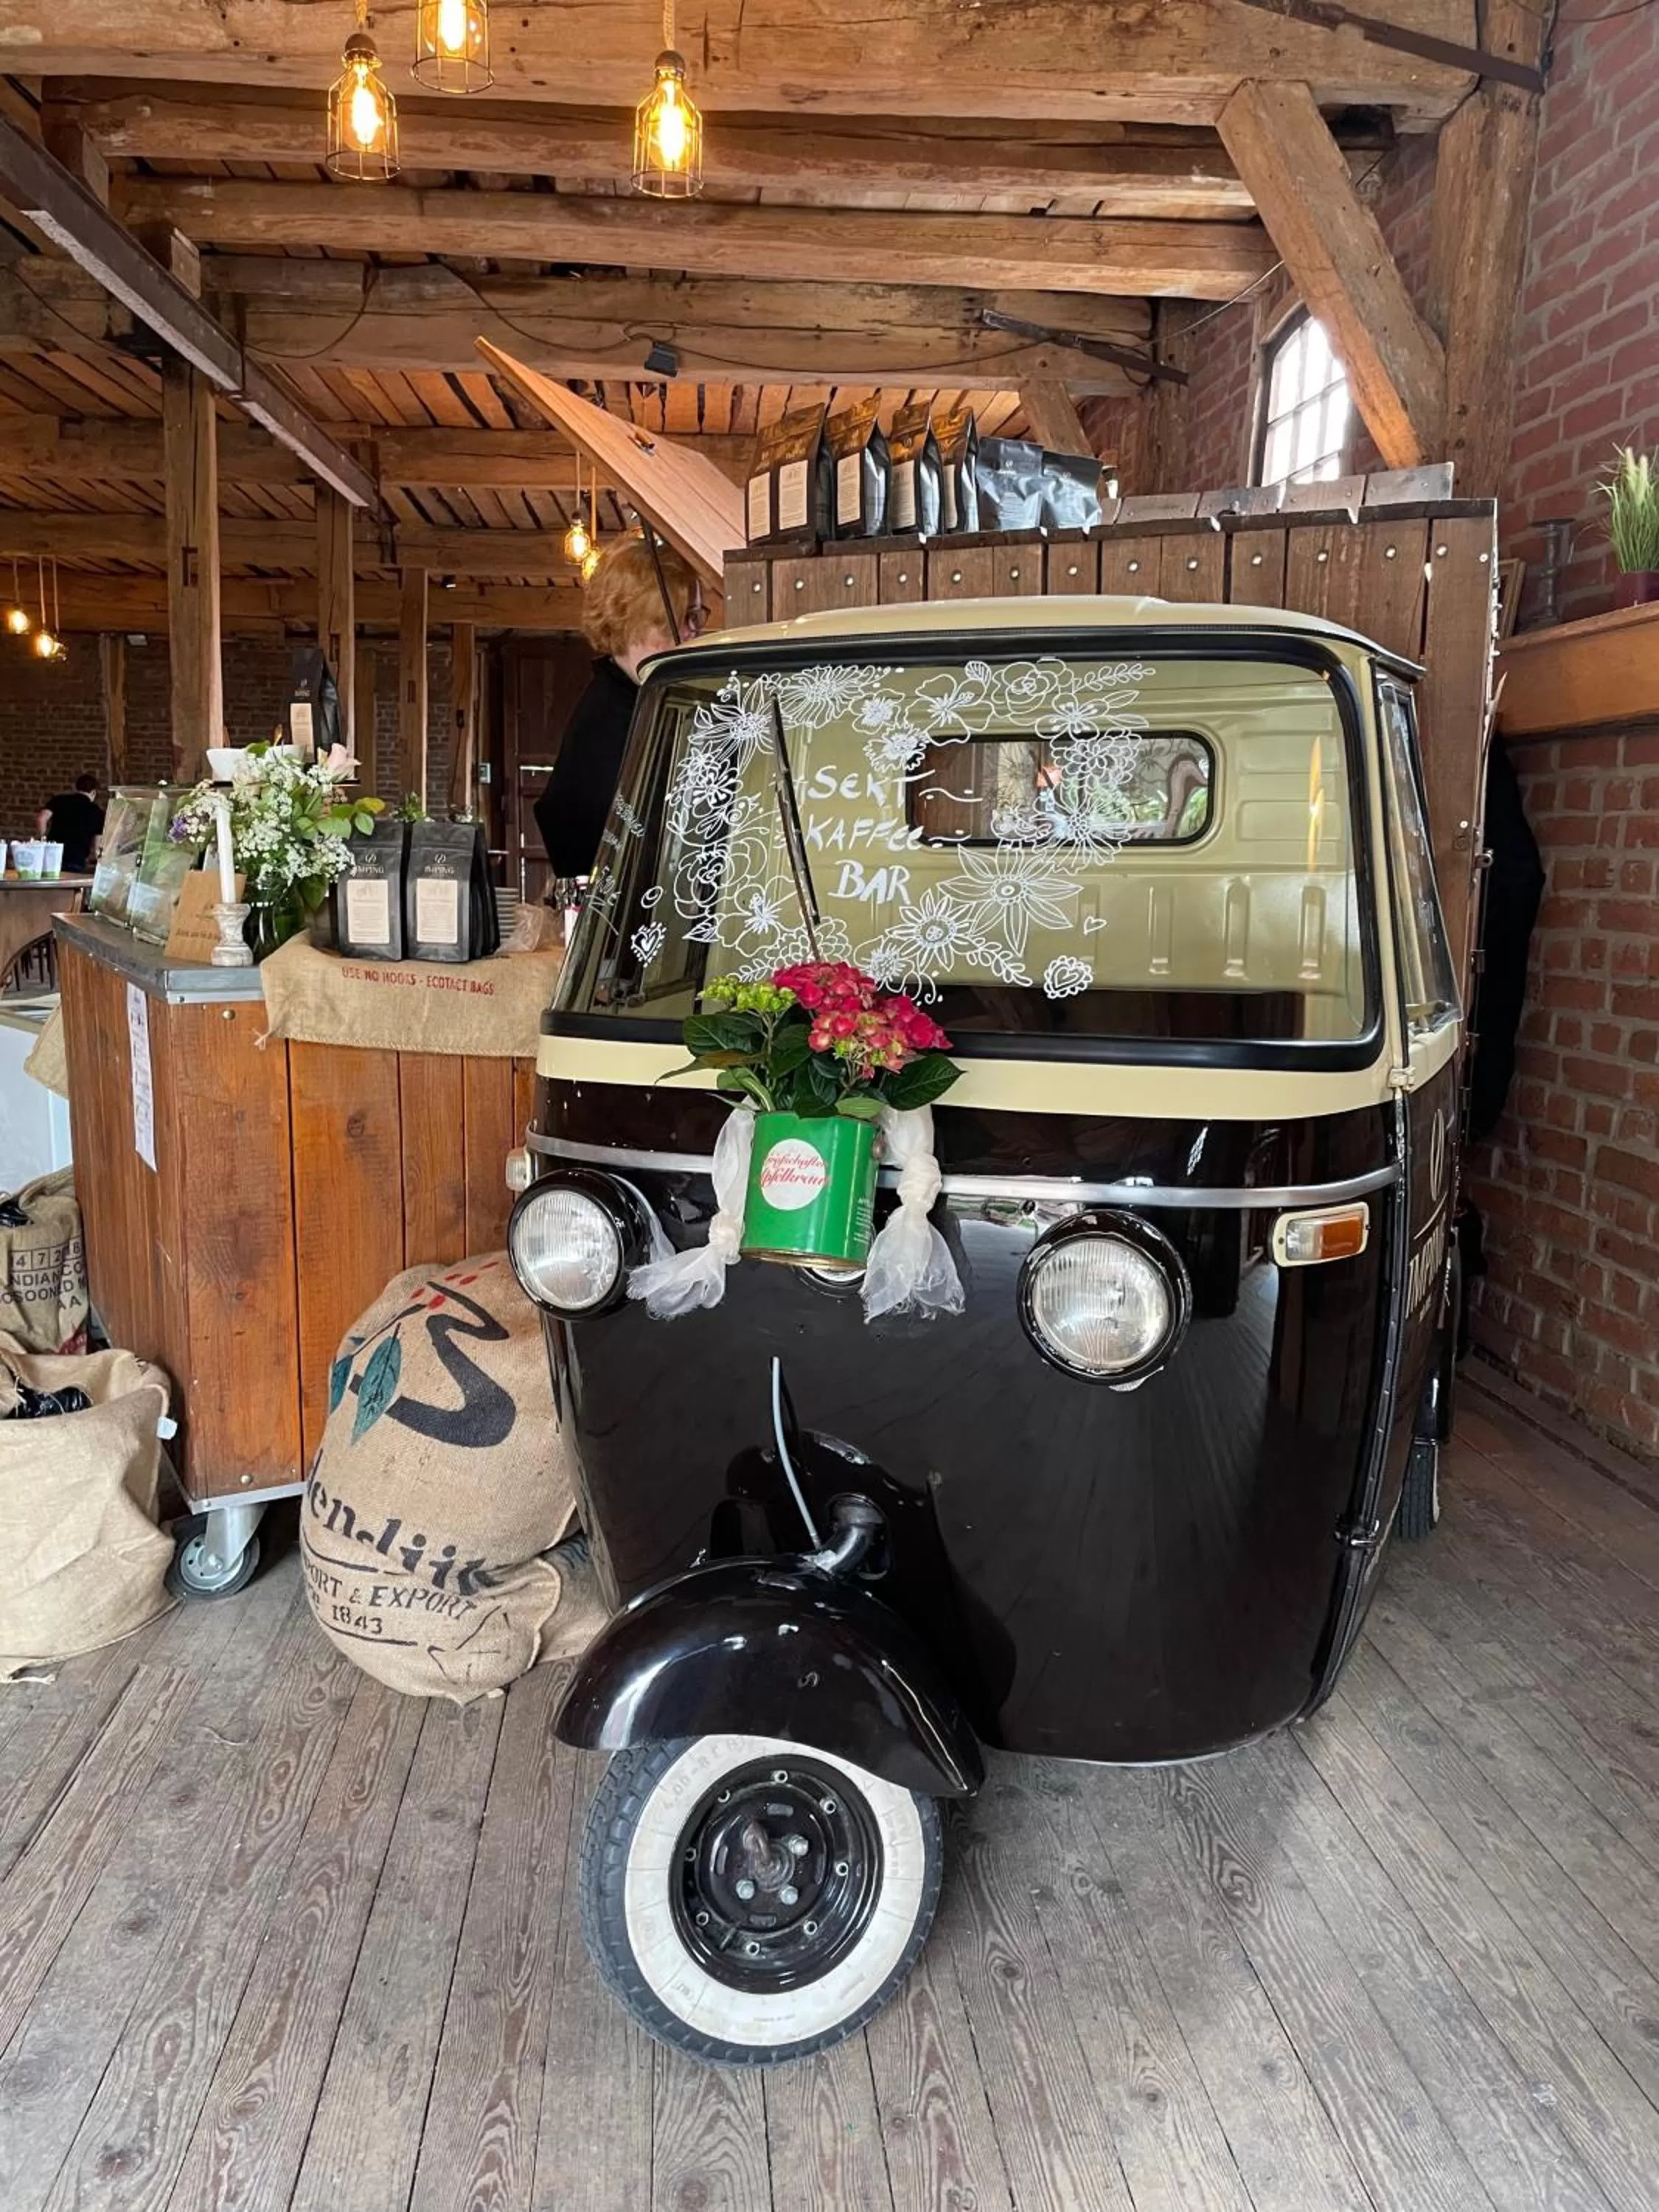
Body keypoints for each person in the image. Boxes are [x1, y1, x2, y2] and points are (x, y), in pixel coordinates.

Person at [533, 535, 707, 883]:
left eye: (698, 616)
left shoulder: (644, 699)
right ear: (640, 618)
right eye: (684, 617)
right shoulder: (613, 717)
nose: (693, 631)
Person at [36, 771, 105, 873]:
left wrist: (44, 839)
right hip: (76, 859)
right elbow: (97, 847)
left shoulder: (59, 800)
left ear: (76, 788)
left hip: (52, 854)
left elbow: (41, 818)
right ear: (94, 793)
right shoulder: (97, 812)